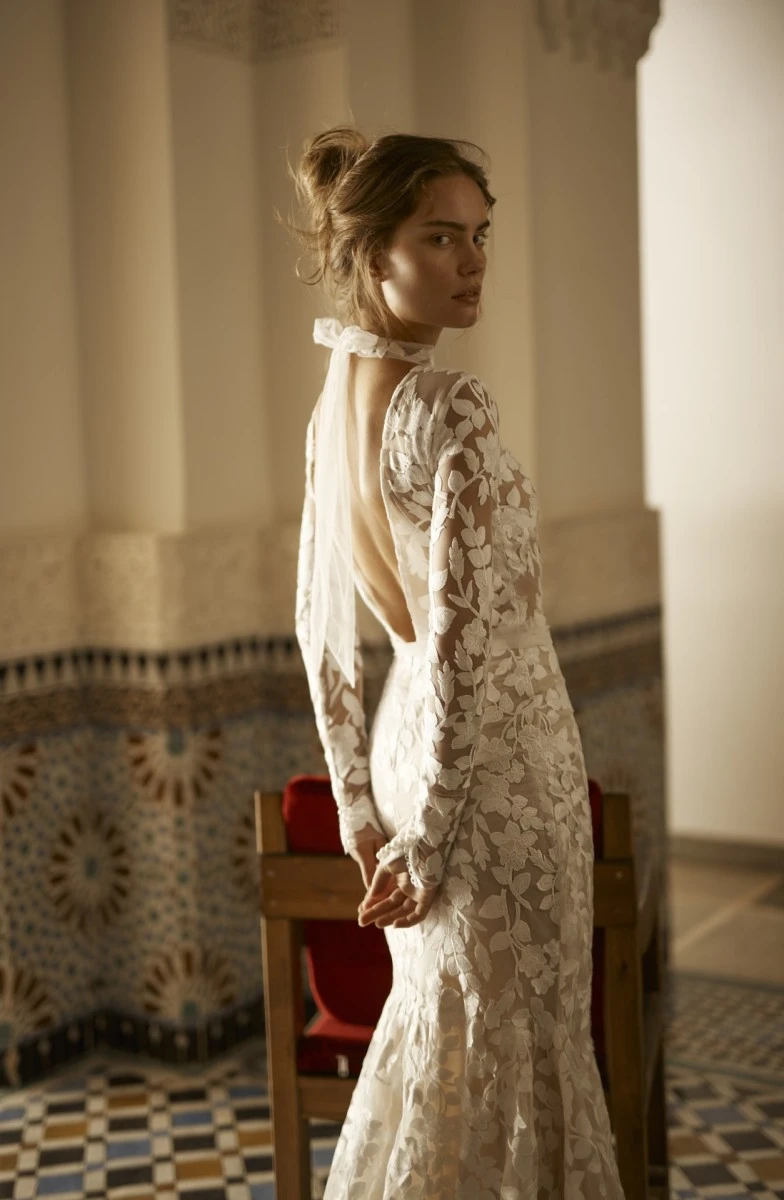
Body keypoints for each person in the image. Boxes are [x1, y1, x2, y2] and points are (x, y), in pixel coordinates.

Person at [286, 125, 625, 1199]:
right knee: (514, 1042)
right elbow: (472, 657)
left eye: (479, 236)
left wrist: (358, 805)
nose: (472, 263)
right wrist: (424, 837)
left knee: (451, 1031)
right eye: (440, 238)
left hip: (409, 748)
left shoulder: (328, 413)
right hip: (492, 773)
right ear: (372, 253)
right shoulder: (450, 407)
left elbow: (321, 634)